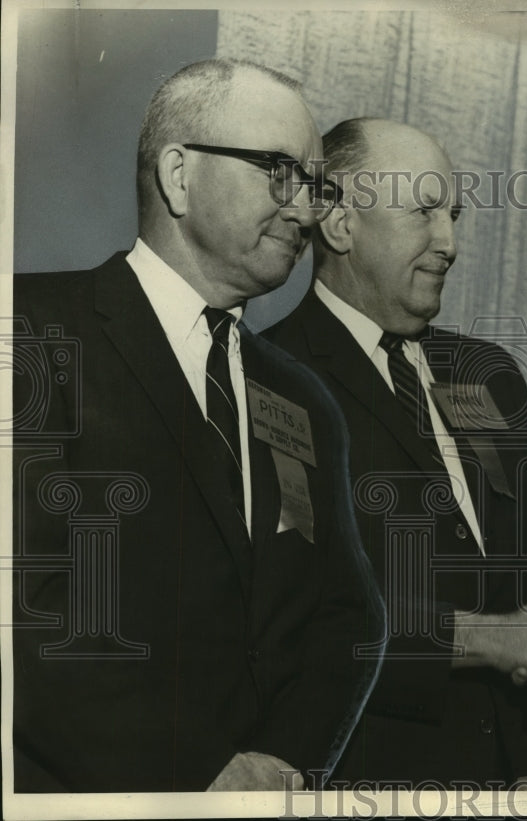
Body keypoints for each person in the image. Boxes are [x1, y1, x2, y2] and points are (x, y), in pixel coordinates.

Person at [11, 59, 385, 792]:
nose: (306, 212)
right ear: (178, 174)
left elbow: (348, 616)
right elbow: (22, 607)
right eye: (279, 170)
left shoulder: (302, 399)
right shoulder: (30, 334)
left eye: (312, 184)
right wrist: (196, 776)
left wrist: (278, 766)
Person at [265, 118, 527, 787]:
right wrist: (486, 638)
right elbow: (300, 616)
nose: (449, 243)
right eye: (423, 212)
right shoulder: (269, 379)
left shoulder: (487, 374)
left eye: (452, 215)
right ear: (338, 222)